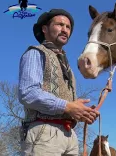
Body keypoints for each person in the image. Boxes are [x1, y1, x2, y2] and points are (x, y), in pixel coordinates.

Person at [18, 8, 100, 156]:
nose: (65, 30)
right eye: (60, 25)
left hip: (70, 136)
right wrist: (67, 106)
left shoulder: (68, 66)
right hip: (44, 133)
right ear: (44, 29)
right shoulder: (35, 53)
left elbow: (69, 108)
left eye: (68, 27)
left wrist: (81, 113)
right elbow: (27, 93)